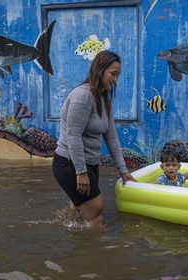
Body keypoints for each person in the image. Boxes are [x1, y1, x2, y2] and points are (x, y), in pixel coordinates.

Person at [52, 50, 136, 229]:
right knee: (96, 213)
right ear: (100, 70)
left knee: (79, 210)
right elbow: (73, 136)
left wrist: (123, 171)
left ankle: (68, 239)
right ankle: (94, 255)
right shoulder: (83, 96)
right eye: (113, 74)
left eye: (118, 75)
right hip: (70, 164)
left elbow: (112, 138)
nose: (116, 79)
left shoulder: (103, 99)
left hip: (88, 164)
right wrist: (81, 172)